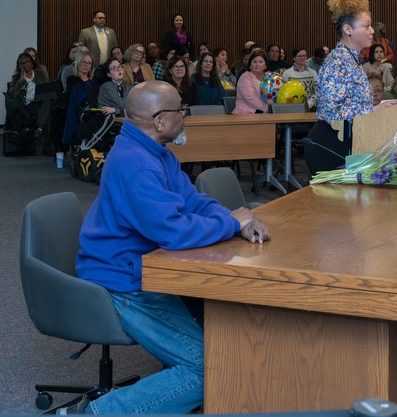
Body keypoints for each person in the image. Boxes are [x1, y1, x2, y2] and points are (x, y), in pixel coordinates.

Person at [75, 80, 269, 414]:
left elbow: (192, 200)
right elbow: (174, 231)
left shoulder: (156, 151)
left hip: (148, 269)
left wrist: (237, 220)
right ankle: (98, 413)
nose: (186, 115)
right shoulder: (137, 164)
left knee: (222, 345)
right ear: (160, 121)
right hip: (124, 283)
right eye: (181, 109)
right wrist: (230, 224)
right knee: (207, 369)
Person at [306, 0, 397, 174]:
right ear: (348, 30)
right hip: (330, 147)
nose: (372, 31)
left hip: (345, 141)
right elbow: (333, 110)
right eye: (366, 26)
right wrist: (373, 110)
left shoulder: (351, 60)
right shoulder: (338, 62)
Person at [6, 51, 50, 136]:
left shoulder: (40, 74)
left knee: (47, 99)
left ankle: (40, 128)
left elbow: (46, 88)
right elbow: (12, 94)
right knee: (46, 113)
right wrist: (21, 80)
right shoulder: (16, 77)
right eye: (20, 63)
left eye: (26, 62)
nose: (23, 64)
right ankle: (41, 130)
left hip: (40, 101)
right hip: (28, 104)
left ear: (32, 64)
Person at [233, 49, 269, 114]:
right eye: (254, 62)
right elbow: (251, 99)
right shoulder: (244, 77)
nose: (257, 64)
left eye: (260, 62)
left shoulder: (269, 77)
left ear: (265, 65)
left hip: (264, 114)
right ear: (250, 65)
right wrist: (269, 109)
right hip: (245, 113)